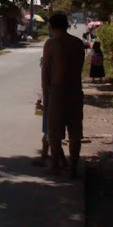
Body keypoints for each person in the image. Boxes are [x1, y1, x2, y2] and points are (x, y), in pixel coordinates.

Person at [42, 12, 85, 178]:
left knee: (55, 134)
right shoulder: (78, 43)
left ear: (51, 27)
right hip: (75, 92)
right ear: (66, 25)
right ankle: (73, 168)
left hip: (57, 93)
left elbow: (46, 73)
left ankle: (55, 168)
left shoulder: (51, 44)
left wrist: (46, 97)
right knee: (75, 133)